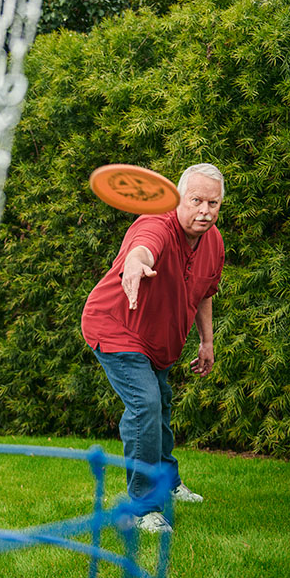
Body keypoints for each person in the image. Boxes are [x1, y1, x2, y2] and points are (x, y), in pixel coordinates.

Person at [81, 163, 225, 533]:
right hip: (115, 326)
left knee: (159, 405)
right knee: (145, 405)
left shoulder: (214, 242)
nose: (204, 211)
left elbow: (205, 291)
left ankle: (168, 482)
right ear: (179, 198)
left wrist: (207, 341)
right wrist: (135, 263)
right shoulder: (157, 223)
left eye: (213, 203)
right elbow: (142, 249)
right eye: (196, 201)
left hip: (158, 341)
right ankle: (143, 507)